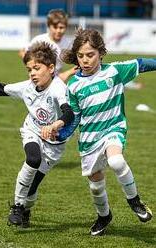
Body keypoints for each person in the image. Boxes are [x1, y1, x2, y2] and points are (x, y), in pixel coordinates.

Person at [0, 42, 74, 227]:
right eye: (29, 69)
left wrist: (57, 124)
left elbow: (69, 112)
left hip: (54, 144)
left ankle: (25, 209)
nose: (32, 73)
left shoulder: (58, 88)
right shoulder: (27, 87)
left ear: (51, 68)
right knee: (33, 159)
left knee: (32, 190)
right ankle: (17, 207)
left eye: (36, 68)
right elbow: (1, 88)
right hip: (32, 131)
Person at [43, 28, 153, 236]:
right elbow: (74, 116)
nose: (85, 60)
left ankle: (135, 201)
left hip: (113, 128)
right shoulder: (74, 85)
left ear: (101, 53)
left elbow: (142, 63)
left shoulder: (114, 72)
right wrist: (61, 132)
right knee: (95, 184)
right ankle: (104, 216)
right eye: (81, 56)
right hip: (89, 139)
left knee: (117, 161)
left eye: (90, 55)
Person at [19, 9, 76, 81]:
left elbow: (80, 60)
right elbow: (22, 52)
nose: (58, 31)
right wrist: (33, 68)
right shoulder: (39, 40)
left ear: (66, 27)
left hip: (56, 79)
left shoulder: (69, 43)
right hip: (38, 79)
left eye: (61, 27)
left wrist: (67, 73)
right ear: (49, 26)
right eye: (55, 27)